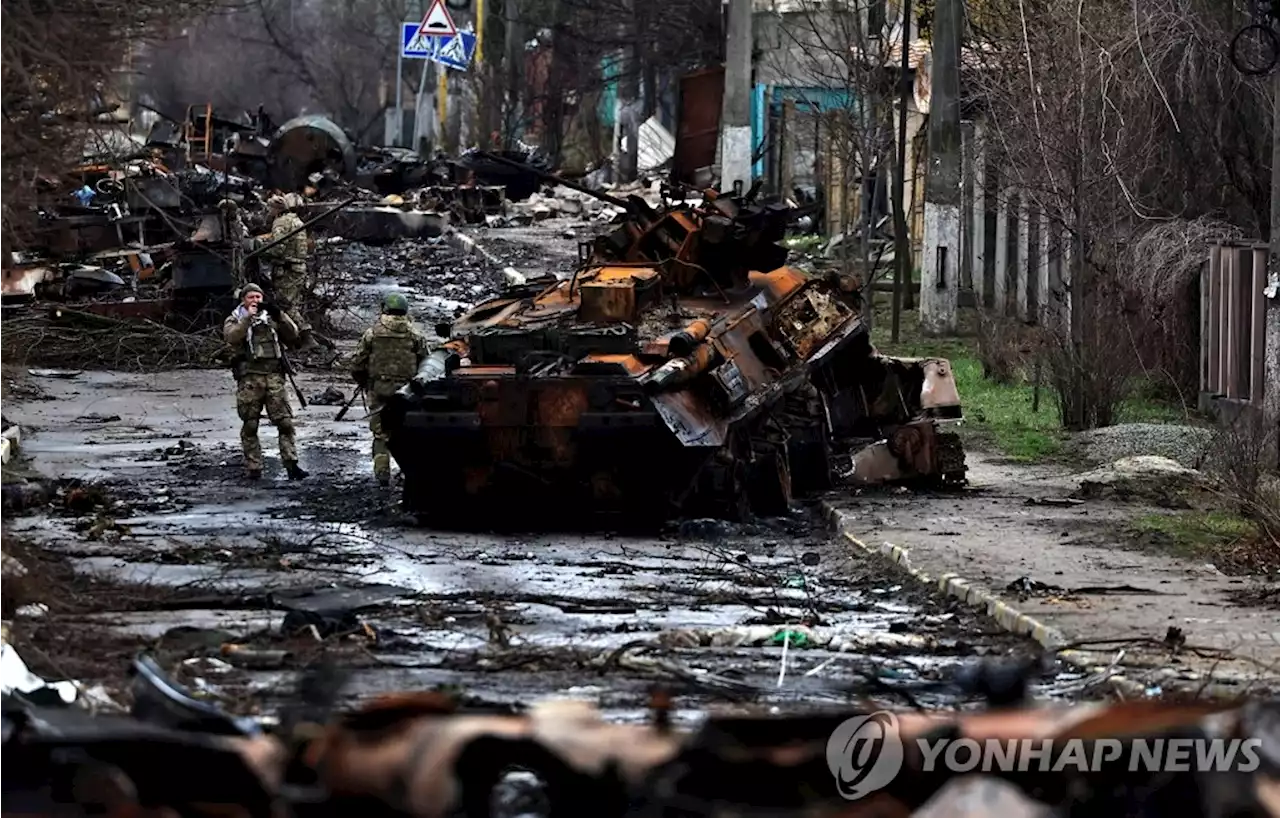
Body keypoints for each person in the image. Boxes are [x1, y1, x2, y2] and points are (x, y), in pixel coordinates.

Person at [222, 283, 309, 481]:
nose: (255, 301)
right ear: (244, 300)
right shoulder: (235, 318)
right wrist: (247, 319)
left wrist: (279, 315)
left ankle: (291, 464)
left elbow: (293, 335)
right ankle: (254, 467)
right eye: (251, 297)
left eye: (258, 297)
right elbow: (232, 337)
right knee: (250, 424)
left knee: (285, 422)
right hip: (250, 379)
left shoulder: (271, 318)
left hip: (274, 377)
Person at [350, 292, 430, 485]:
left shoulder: (372, 333)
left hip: (379, 390)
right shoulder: (415, 335)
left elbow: (357, 363)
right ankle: (408, 474)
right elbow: (426, 364)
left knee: (380, 435)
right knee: (407, 433)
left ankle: (382, 475)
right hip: (407, 393)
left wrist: (364, 381)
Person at [256, 194, 316, 349]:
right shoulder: (296, 220)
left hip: (287, 270)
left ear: (275, 209)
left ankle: (306, 337)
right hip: (298, 268)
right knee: (292, 304)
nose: (268, 211)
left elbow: (277, 249)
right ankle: (295, 339)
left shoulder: (281, 222)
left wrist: (259, 248)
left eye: (269, 208)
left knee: (285, 305)